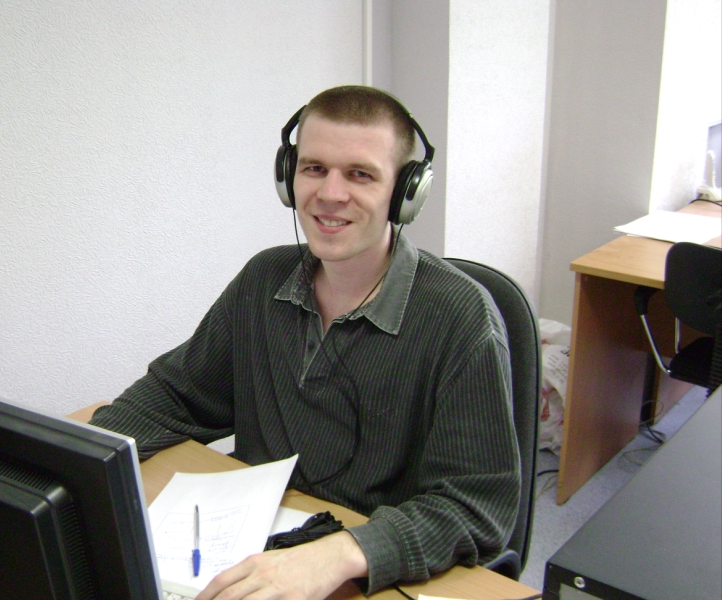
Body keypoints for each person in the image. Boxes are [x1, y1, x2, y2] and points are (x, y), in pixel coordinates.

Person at [89, 85, 520, 599]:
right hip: (254, 552)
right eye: (314, 168)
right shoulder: (264, 280)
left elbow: (476, 506)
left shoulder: (460, 318)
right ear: (288, 175)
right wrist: (80, 460)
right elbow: (178, 393)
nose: (330, 194)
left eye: (360, 175)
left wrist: (341, 554)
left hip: (374, 573)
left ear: (406, 193)